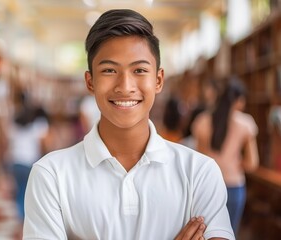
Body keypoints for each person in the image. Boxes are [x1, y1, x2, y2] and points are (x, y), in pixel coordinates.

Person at [23, 9, 234, 239]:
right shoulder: (51, 175)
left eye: (140, 70)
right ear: (90, 81)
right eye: (109, 70)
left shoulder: (199, 172)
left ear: (158, 80)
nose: (125, 86)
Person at [192, 77, 259, 236]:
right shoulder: (246, 123)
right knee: (229, 234)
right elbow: (252, 163)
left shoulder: (202, 121)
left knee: (205, 234)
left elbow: (199, 161)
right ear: (238, 100)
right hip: (234, 186)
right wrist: (235, 163)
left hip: (208, 187)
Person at [7, 90, 49, 221]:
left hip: (15, 160)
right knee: (29, 192)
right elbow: (43, 143)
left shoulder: (13, 121)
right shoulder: (37, 123)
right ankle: (26, 221)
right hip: (30, 161)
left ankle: (21, 219)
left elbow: (7, 140)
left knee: (20, 190)